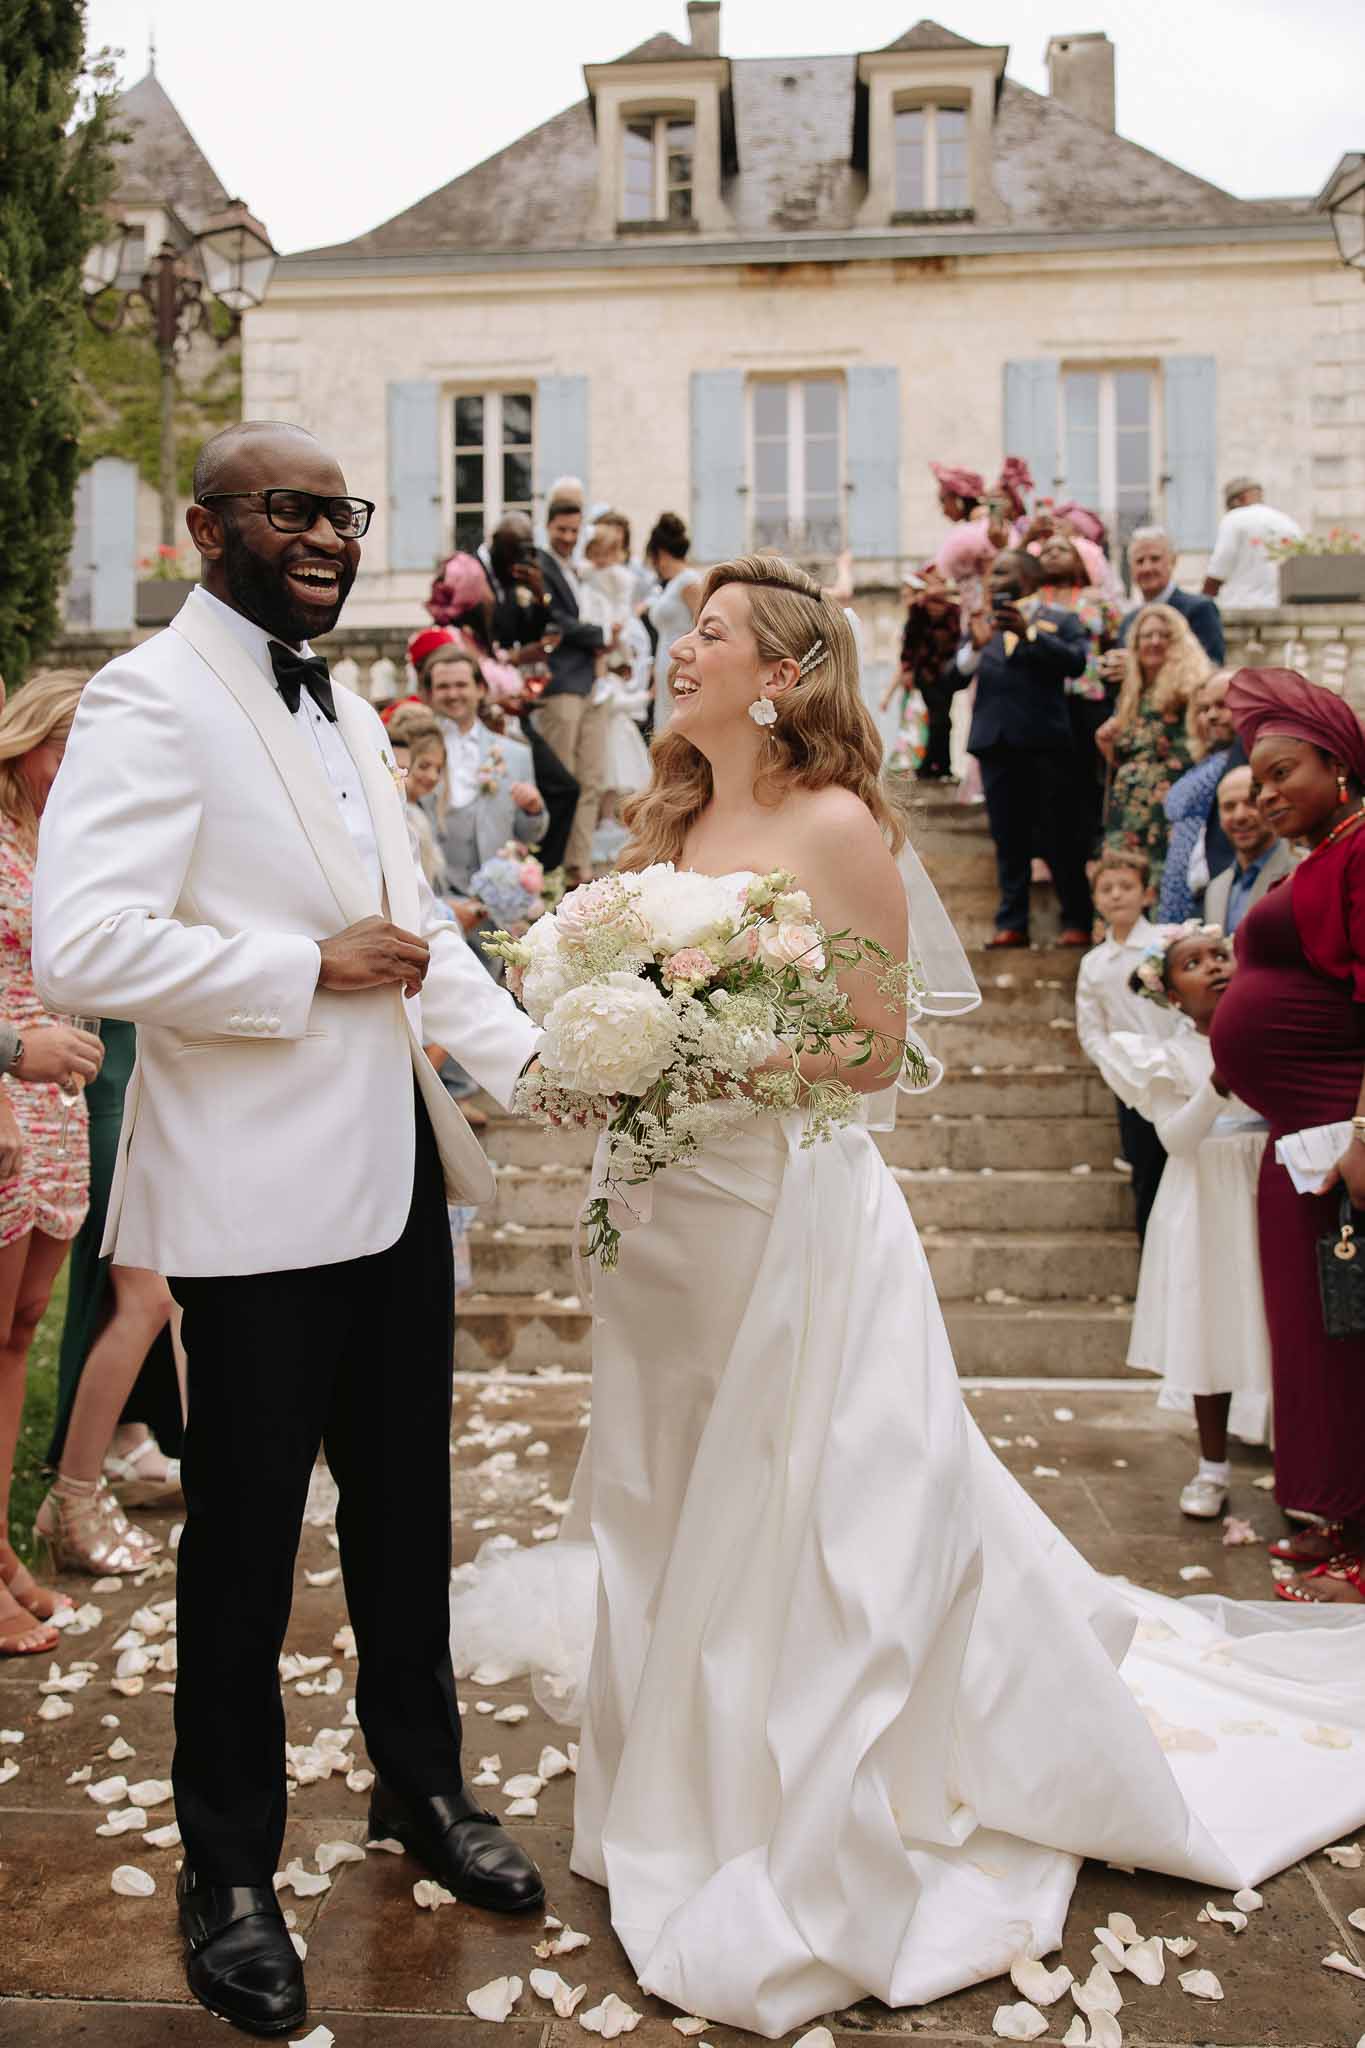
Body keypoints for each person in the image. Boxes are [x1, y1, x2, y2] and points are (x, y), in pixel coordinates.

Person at [449, 554, 1365, 2038]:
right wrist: (598, 1048)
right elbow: (615, 991)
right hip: (663, 1217)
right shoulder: (675, 813)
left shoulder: (835, 827)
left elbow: (875, 1055)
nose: (682, 652)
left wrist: (700, 1059)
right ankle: (670, 1774)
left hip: (782, 1212)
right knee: (666, 1487)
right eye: (686, 632)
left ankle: (791, 1789)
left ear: (786, 673)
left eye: (713, 634)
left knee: (804, 1501)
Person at [32, 421, 544, 2037]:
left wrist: (559, 1066)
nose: (328, 531)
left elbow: (412, 939)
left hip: (393, 1185)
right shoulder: (148, 696)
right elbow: (81, 945)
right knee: (243, 1554)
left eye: (345, 510)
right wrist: (289, 967)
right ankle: (230, 1871)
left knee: (406, 1518)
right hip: (248, 1209)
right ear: (205, 529)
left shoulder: (345, 707)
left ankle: (423, 1789)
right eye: (293, 506)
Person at [1209, 667, 1365, 1603]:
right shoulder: (1317, 856)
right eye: (1253, 780)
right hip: (1296, 1143)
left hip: (1338, 1141)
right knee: (1318, 1341)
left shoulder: (1359, 852)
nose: (1264, 795)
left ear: (1339, 764)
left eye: (1281, 773)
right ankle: (1339, 1518)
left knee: (1353, 1338)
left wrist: (1361, 1129)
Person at [0, 672, 109, 1653]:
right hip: (3, 1098)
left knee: (20, 1331)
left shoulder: (65, 846)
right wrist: (9, 1051)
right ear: (29, 737)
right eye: (68, 748)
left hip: (60, 1109)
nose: (80, 771)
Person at [1114, 922, 1271, 1517]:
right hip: (1205, 1188)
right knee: (1213, 1319)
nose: (1213, 966)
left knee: (1279, 1319)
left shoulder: (1268, 1031)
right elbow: (1176, 1139)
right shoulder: (1168, 1056)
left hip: (1269, 1178)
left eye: (1219, 955)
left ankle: (1298, 1457)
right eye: (1193, 963)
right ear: (1173, 997)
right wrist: (1217, 1083)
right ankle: (1212, 1467)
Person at [48, 1015, 186, 1517]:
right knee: (147, 1295)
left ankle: (128, 1441)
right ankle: (71, 1495)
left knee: (153, 1287)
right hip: (98, 1090)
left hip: (138, 1079)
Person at [957, 548, 1094, 947]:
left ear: (1029, 578)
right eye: (992, 575)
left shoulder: (1060, 620)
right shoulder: (982, 626)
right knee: (1008, 839)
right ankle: (1012, 922)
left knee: (1059, 835)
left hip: (1044, 745)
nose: (994, 579)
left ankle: (1077, 919)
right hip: (996, 745)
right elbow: (952, 677)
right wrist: (977, 647)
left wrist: (1028, 634)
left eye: (1003, 572)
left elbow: (1076, 663)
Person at [1075, 849, 1181, 1243]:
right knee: (1145, 1168)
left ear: (1147, 894)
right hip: (1132, 1083)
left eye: (1126, 887)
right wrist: (1117, 1069)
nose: (1116, 895)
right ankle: (1150, 1255)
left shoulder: (1166, 945)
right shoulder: (1095, 963)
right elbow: (1092, 1029)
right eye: (1106, 889)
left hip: (1177, 1069)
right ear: (1096, 900)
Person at [480, 514, 580, 875]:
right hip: (489, 708)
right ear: (498, 546)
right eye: (516, 552)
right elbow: (485, 647)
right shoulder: (477, 579)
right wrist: (518, 659)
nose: (522, 560)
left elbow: (541, 628)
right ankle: (532, 875)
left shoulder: (512, 581)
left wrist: (540, 594)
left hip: (513, 703)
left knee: (565, 788)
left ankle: (539, 876)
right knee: (555, 789)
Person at [1097, 603, 1210, 891]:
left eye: (1163, 635)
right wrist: (1106, 742)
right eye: (1146, 636)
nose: (1154, 642)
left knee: (1162, 885)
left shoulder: (1191, 689)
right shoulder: (1131, 695)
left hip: (1168, 808)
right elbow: (1123, 759)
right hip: (1127, 810)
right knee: (1122, 883)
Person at [418, 648, 546, 897]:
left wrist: (534, 810)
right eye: (443, 686)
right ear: (430, 694)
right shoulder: (413, 754)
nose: (453, 694)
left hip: (495, 897)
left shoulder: (515, 754)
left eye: (461, 685)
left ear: (480, 689)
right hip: (431, 893)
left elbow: (528, 834)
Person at [537, 497, 617, 883]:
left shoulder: (579, 570)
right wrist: (600, 635)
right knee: (561, 779)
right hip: (560, 685)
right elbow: (552, 622)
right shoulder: (539, 565)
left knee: (592, 778)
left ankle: (578, 865)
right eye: (562, 530)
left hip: (592, 685)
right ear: (548, 527)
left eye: (574, 531)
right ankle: (550, 867)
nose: (568, 537)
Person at [1032, 530, 1124, 849]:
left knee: (1089, 771)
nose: (1054, 554)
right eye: (1046, 550)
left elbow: (1115, 638)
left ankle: (1093, 837)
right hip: (1044, 700)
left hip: (1089, 696)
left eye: (1062, 549)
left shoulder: (1096, 598)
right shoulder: (1030, 602)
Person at [1157, 669, 1236, 921]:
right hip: (1179, 892)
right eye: (1204, 709)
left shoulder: (1244, 760)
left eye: (1222, 705)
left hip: (1212, 888)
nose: (1212, 715)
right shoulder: (1207, 760)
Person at [883, 567, 960, 782]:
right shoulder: (918, 611)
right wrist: (908, 670)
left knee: (943, 719)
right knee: (939, 720)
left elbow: (956, 642)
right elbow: (910, 644)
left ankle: (938, 766)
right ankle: (934, 766)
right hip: (925, 674)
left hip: (947, 676)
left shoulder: (955, 612)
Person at [1203, 765, 1296, 932]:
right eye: (1229, 806)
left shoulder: (1303, 869)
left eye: (1251, 803)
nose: (1240, 816)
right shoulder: (1216, 889)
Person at [1115, 526, 1225, 663]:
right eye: (1139, 561)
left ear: (1173, 561)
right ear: (1131, 569)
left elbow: (1212, 666)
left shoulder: (1200, 610)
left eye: (1155, 559)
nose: (1147, 568)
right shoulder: (1128, 621)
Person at [1203, 478, 1301, 611]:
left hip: (1240, 609)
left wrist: (1201, 603)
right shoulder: (1289, 524)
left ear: (1239, 499)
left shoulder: (1233, 519)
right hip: (1279, 610)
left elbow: (1218, 570)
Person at [645, 512, 703, 736]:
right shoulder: (670, 584)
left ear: (658, 553)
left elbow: (701, 624)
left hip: (680, 665)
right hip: (662, 662)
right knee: (662, 723)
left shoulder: (689, 582)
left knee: (675, 727)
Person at [384, 706, 450, 891]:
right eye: (424, 766)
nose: (433, 777)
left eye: (438, 768)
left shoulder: (422, 812)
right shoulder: (400, 815)